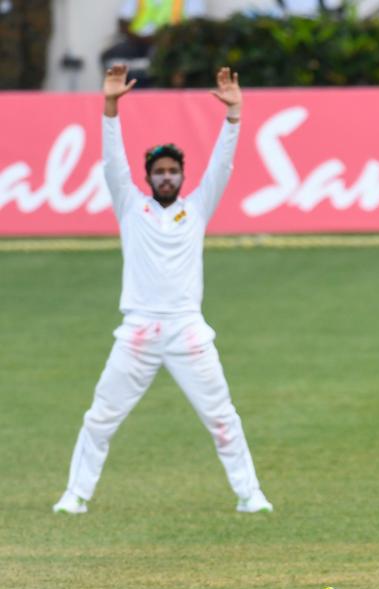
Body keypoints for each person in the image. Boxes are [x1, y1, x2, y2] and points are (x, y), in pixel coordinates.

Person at [52, 65, 272, 515]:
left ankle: (251, 495)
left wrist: (234, 116)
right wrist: (110, 107)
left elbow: (222, 166)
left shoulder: (197, 209)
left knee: (222, 419)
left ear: (182, 176)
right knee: (101, 417)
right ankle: (75, 496)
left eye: (173, 171)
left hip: (188, 332)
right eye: (159, 171)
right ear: (149, 177)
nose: (167, 177)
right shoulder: (131, 207)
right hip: (137, 332)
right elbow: (112, 161)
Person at [100, 0, 205, 87]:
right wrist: (140, 38)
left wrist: (168, 38)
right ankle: (115, 97)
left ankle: (153, 97)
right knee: (110, 56)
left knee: (157, 57)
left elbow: (196, 25)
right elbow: (123, 22)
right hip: (137, 40)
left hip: (171, 43)